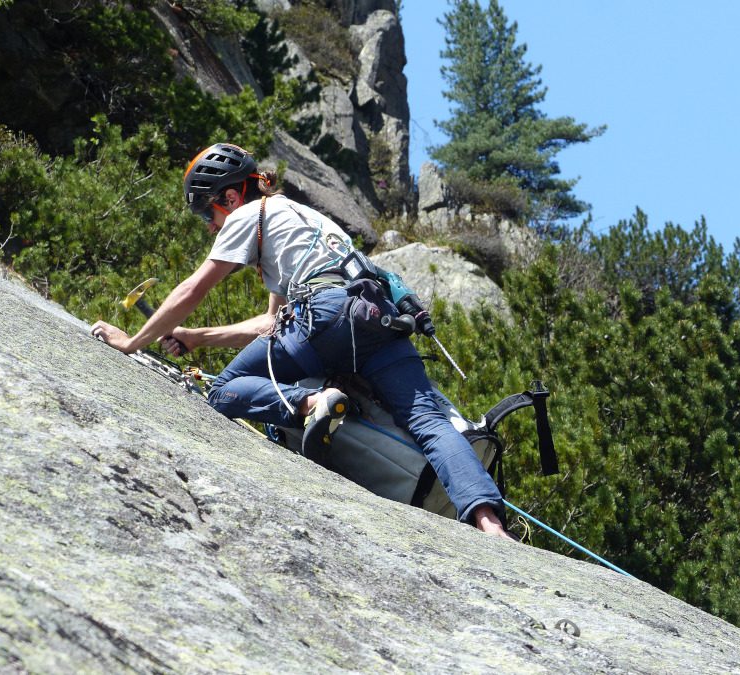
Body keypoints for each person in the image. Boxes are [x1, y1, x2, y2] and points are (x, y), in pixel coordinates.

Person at [91, 143, 512, 540]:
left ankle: (312, 403)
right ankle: (489, 524)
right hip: (375, 317)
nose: (210, 226)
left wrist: (132, 343)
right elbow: (270, 324)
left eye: (207, 214)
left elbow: (193, 289)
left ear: (230, 197)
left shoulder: (246, 215)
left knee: (223, 389)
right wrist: (196, 337)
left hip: (324, 316)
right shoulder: (302, 218)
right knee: (428, 420)